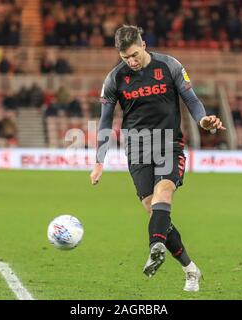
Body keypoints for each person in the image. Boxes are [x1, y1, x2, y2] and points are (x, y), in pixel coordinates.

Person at [89, 25, 226, 292]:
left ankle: (154, 248)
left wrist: (203, 120)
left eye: (134, 54)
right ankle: (191, 269)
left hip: (168, 144)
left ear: (143, 44)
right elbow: (105, 121)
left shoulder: (169, 65)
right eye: (125, 57)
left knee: (164, 194)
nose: (131, 61)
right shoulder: (114, 79)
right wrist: (99, 161)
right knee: (156, 214)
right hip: (137, 150)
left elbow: (191, 99)